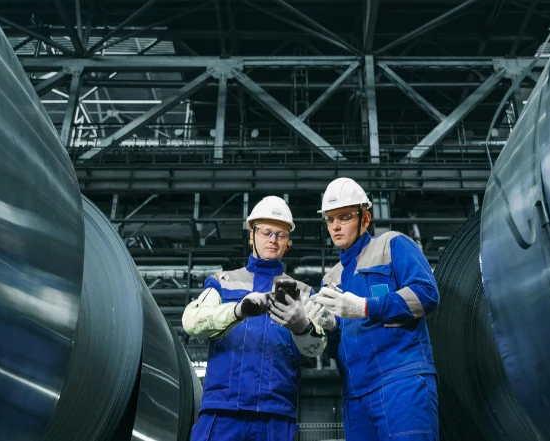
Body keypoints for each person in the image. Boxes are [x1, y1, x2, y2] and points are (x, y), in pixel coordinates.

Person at [182, 196, 326, 441]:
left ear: (287, 243)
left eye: (280, 235)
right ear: (252, 235)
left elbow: (317, 347)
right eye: (266, 232)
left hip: (275, 416)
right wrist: (237, 311)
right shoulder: (222, 282)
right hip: (222, 411)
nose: (273, 240)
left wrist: (301, 325)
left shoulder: (302, 293)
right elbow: (191, 322)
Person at [308, 177, 440, 441]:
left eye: (344, 217)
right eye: (330, 219)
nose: (335, 226)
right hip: (355, 396)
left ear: (365, 218)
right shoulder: (330, 278)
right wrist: (330, 328)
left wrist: (366, 306)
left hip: (400, 382)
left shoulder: (392, 245)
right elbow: (336, 348)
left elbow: (426, 293)